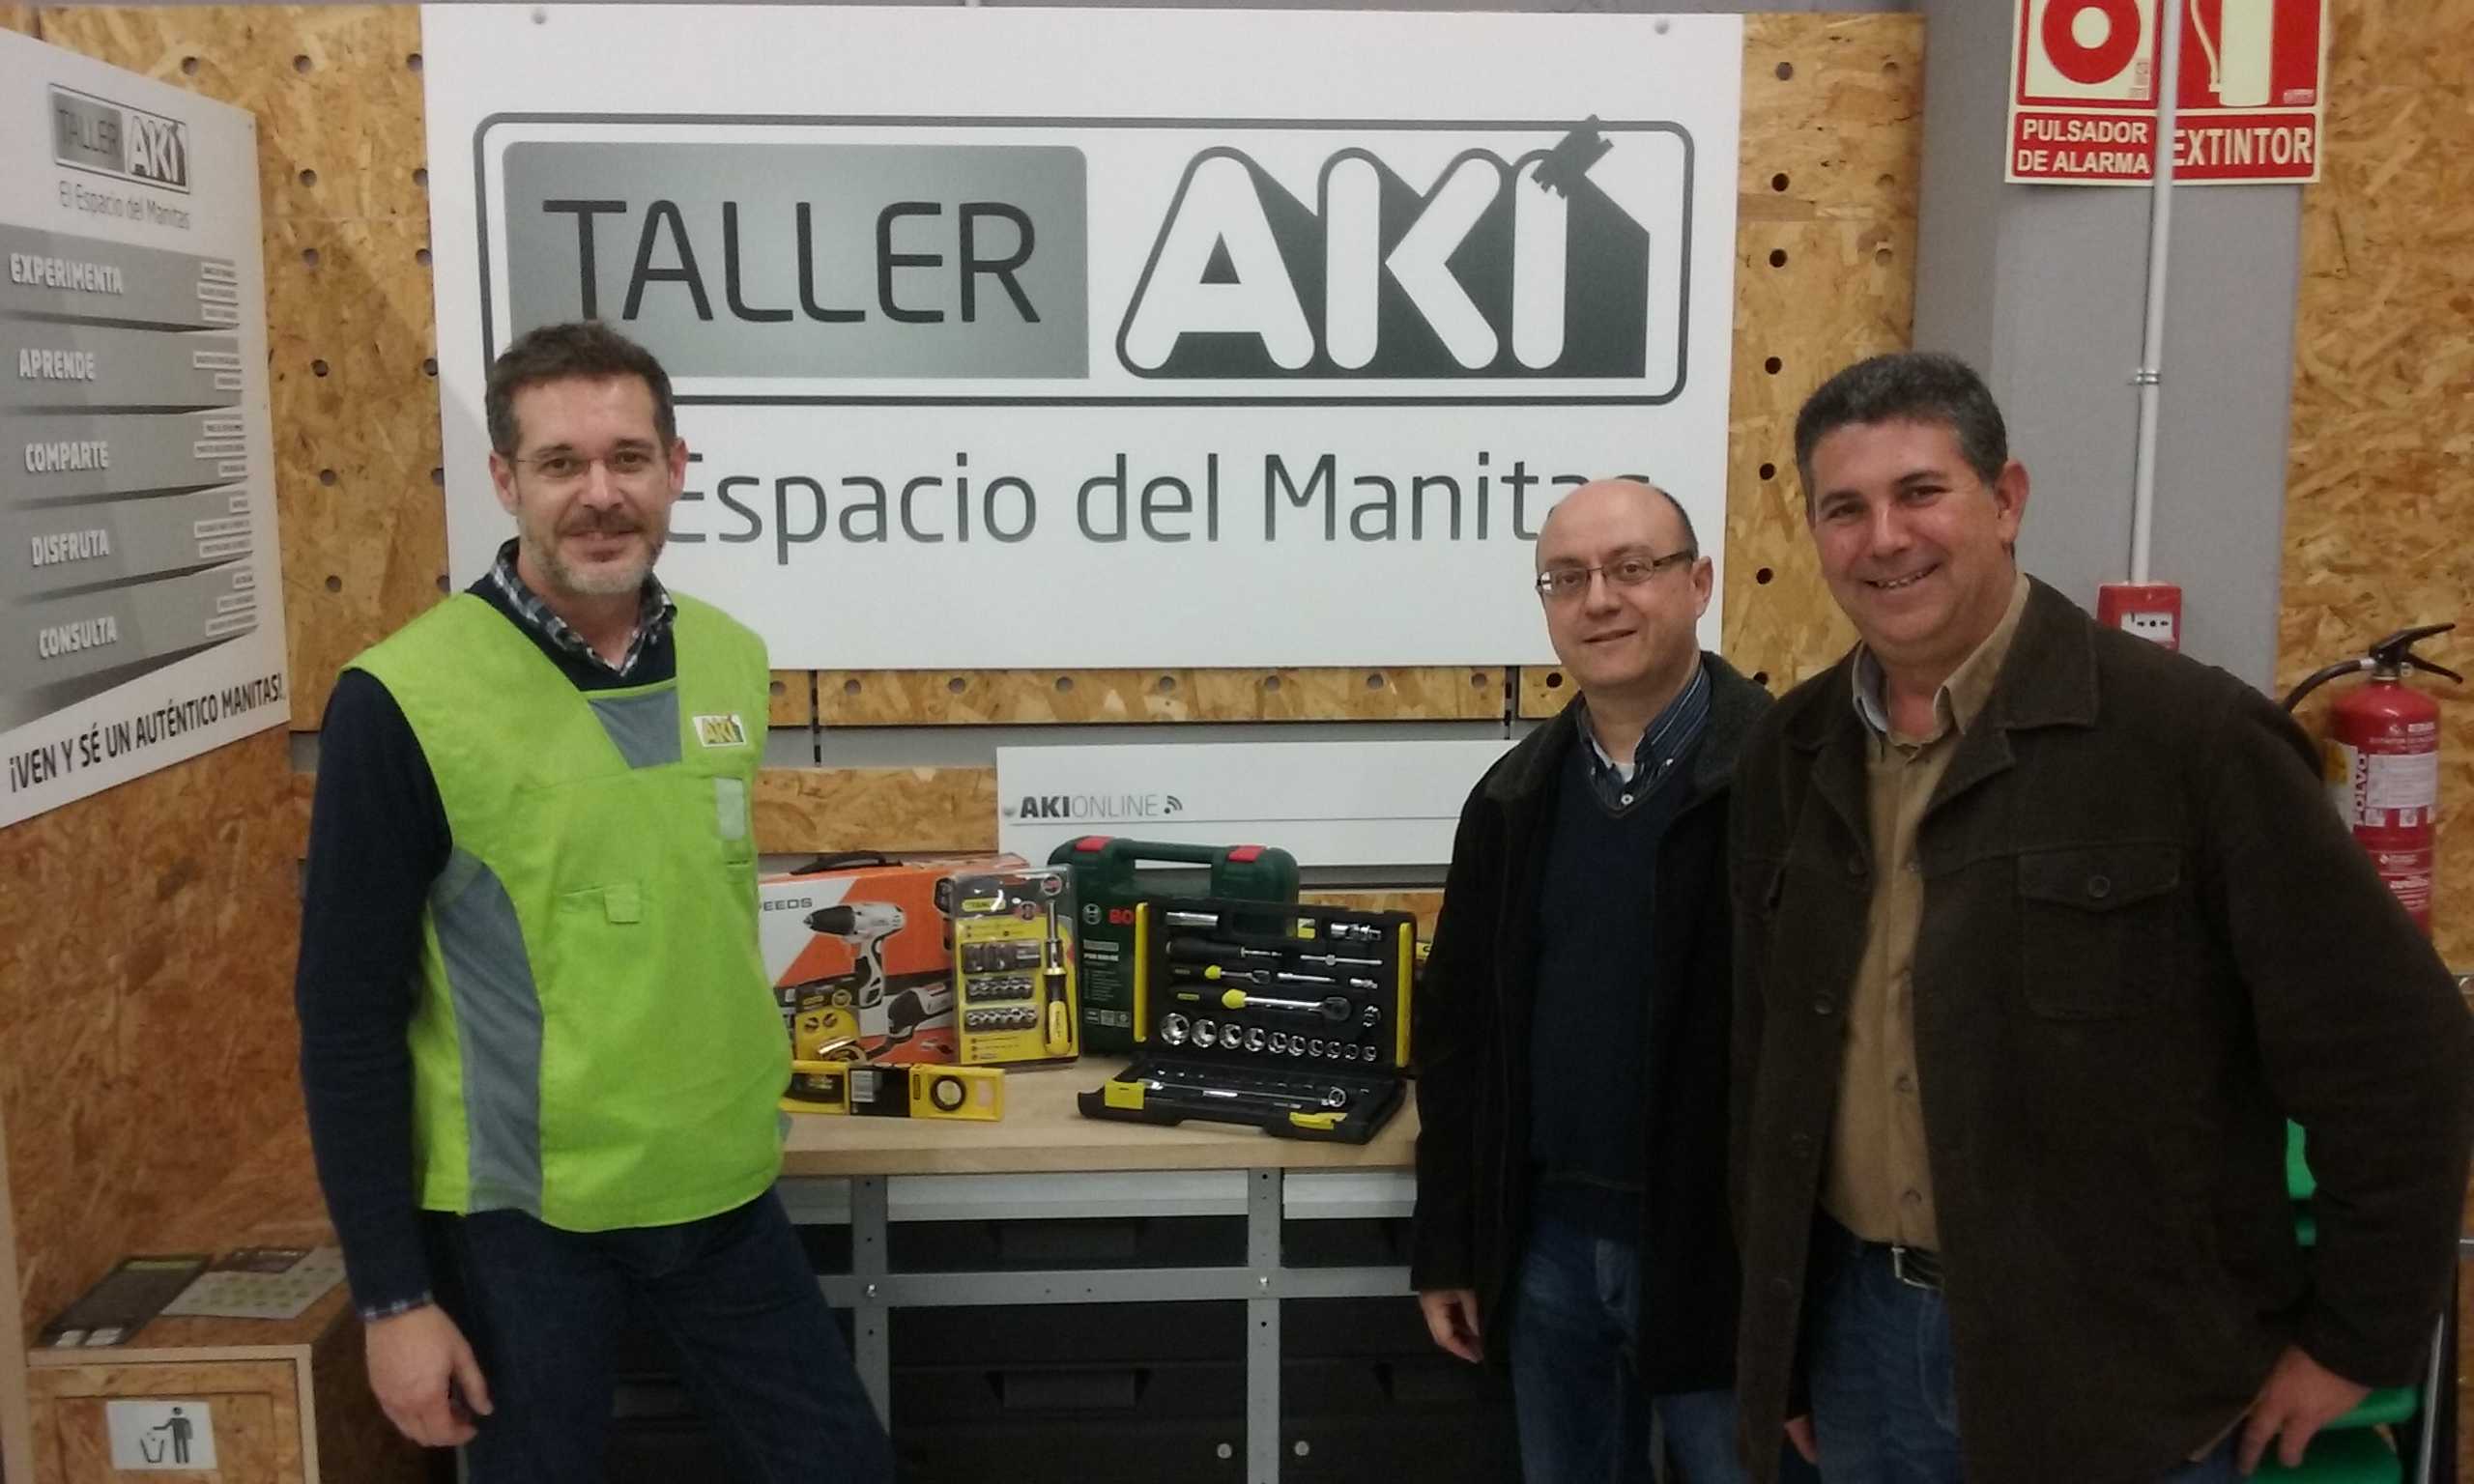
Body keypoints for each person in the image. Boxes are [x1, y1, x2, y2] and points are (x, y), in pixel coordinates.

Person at [1727, 350, 2474, 1484]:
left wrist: (2353, 1338)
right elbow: (1766, 1065)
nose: (1883, 538)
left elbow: (2399, 1051)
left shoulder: (2189, 741)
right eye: (1845, 508)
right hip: (1859, 1345)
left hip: (2119, 1378)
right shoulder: (1791, 751)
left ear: (2005, 500)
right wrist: (1780, 1355)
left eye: (1920, 492)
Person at [295, 320, 893, 1482]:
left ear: (676, 467)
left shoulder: (730, 658)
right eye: (561, 463)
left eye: (628, 457)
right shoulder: (402, 698)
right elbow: (346, 1016)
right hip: (520, 1228)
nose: (600, 494)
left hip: (721, 1192)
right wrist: (392, 1298)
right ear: (505, 479)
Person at [1412, 479, 1778, 1483]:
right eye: (1566, 579)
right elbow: (1458, 1041)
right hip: (1548, 1255)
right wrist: (1449, 1244)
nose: (1599, 600)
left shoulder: (1788, 779)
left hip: (1724, 1263)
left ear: (1699, 583)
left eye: (1632, 568)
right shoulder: (1511, 799)